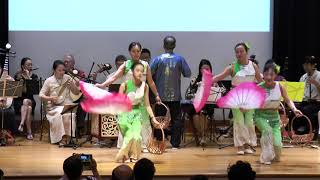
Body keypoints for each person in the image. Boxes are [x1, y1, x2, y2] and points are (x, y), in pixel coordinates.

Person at [96, 42, 161, 151]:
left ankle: (143, 145)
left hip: (141, 99)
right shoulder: (126, 65)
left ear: (140, 52)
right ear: (129, 52)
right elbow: (114, 77)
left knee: (143, 122)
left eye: (138, 51)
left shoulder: (145, 65)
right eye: (133, 51)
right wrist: (102, 85)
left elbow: (151, 82)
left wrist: (157, 95)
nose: (136, 54)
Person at [212, 42, 262, 155]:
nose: (239, 54)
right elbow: (219, 77)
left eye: (241, 51)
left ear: (246, 52)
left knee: (249, 122)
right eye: (237, 52)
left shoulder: (253, 66)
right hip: (236, 98)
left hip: (250, 98)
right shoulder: (232, 67)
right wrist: (207, 81)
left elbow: (261, 81)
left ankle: (247, 144)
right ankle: (240, 146)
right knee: (239, 122)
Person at [255, 61, 302, 165]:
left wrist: (294, 109)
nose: (268, 77)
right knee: (267, 132)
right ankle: (265, 157)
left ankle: (273, 154)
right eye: (266, 74)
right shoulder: (259, 87)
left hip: (275, 119)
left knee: (277, 145)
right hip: (260, 117)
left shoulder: (280, 87)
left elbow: (287, 100)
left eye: (271, 74)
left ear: (275, 75)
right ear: (263, 74)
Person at [151, 36, 191, 149]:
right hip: (176, 96)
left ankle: (159, 141)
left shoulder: (157, 59)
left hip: (160, 95)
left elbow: (149, 73)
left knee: (159, 119)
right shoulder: (180, 59)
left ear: (163, 45)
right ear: (174, 45)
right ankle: (175, 144)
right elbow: (187, 73)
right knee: (177, 120)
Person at [116, 62, 160, 163]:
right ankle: (125, 156)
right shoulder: (125, 85)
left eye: (142, 71)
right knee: (129, 136)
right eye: (137, 70)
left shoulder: (145, 86)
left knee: (137, 136)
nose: (140, 73)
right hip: (124, 114)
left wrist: (153, 118)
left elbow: (147, 104)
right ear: (132, 71)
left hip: (137, 114)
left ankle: (134, 156)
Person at [39, 60, 80, 145]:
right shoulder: (49, 80)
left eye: (63, 70)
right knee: (59, 114)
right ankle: (61, 138)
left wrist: (72, 85)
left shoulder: (68, 78)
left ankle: (68, 138)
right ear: (54, 70)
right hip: (53, 107)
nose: (62, 72)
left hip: (66, 105)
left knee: (70, 114)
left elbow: (76, 92)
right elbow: (41, 95)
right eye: (59, 70)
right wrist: (50, 98)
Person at [186, 59, 214, 146]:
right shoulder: (195, 80)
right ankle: (203, 136)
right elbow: (188, 95)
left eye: (207, 69)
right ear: (200, 70)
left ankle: (202, 136)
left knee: (203, 113)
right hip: (196, 106)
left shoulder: (214, 80)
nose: (205, 71)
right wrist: (196, 94)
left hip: (208, 106)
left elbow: (222, 92)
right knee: (197, 114)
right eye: (203, 69)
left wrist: (215, 87)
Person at [14, 57, 39, 140]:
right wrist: (21, 78)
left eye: (31, 64)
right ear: (23, 66)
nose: (30, 66)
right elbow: (17, 92)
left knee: (27, 102)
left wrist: (28, 77)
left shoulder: (34, 76)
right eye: (28, 65)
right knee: (28, 108)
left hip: (31, 100)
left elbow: (32, 91)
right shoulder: (18, 75)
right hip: (19, 101)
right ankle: (29, 132)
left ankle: (21, 123)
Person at [299, 56, 320, 137]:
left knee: (307, 109)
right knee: (295, 108)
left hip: (316, 102)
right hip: (305, 101)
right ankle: (298, 129)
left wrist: (316, 83)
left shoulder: (319, 75)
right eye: (304, 65)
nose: (306, 67)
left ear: (313, 65)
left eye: (308, 65)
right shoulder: (303, 77)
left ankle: (310, 130)